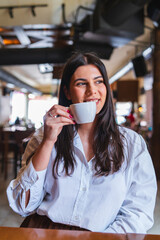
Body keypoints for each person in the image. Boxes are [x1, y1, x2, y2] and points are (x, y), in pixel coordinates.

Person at [7, 52, 157, 234]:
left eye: (98, 81)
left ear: (107, 88)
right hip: (44, 232)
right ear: (67, 92)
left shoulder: (132, 144)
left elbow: (139, 211)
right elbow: (22, 205)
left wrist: (103, 239)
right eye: (81, 83)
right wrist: (48, 141)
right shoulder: (43, 137)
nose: (92, 90)